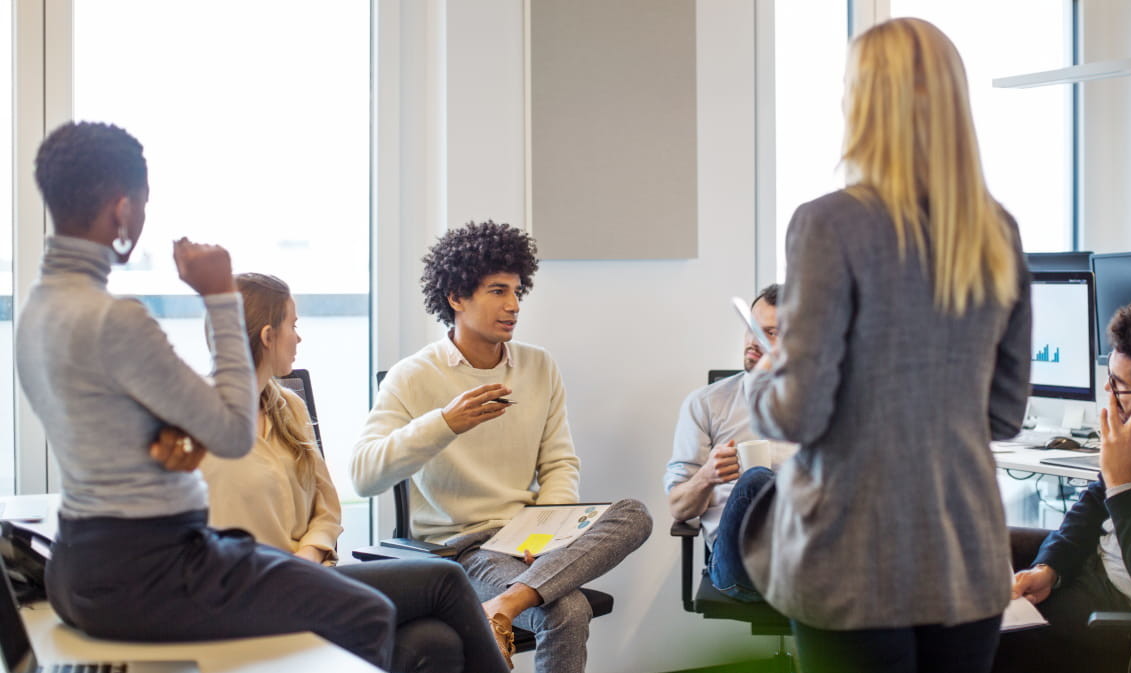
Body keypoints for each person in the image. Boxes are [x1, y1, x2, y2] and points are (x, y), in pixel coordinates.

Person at [16, 121, 397, 669]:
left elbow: (110, 422)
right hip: (155, 568)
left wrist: (170, 434)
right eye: (143, 205)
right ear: (122, 209)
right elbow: (231, 433)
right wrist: (219, 297)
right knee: (370, 614)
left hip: (77, 567)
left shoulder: (35, 313)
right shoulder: (115, 319)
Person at [741, 18, 1032, 673]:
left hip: (853, 558)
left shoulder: (828, 223)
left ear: (866, 102)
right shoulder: (997, 229)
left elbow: (801, 413)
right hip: (968, 557)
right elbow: (1005, 412)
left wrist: (765, 372)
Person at [350, 220, 653, 673]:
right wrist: (444, 423)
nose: (513, 306)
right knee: (568, 609)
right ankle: (510, 603)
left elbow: (559, 462)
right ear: (456, 297)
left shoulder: (538, 365)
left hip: (531, 536)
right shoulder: (413, 376)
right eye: (497, 291)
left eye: (516, 292)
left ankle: (506, 605)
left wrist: (552, 537)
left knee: (635, 513)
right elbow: (364, 474)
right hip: (465, 548)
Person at [200, 272, 509, 673]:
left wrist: (309, 555)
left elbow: (327, 508)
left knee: (436, 642)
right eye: (292, 326)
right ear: (266, 336)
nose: (299, 337)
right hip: (251, 597)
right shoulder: (192, 424)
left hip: (309, 580)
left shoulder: (289, 408)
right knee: (444, 580)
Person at [993, 285, 1131, 673]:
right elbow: (1092, 503)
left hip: (1121, 620)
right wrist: (1049, 569)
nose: (1109, 390)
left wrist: (1122, 483)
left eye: (1120, 385)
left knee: (965, 640)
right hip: (1085, 579)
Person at [664, 283, 794, 602]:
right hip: (739, 564)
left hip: (809, 554)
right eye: (750, 328)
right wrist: (709, 475)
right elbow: (678, 508)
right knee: (756, 479)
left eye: (770, 333)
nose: (752, 341)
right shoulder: (706, 404)